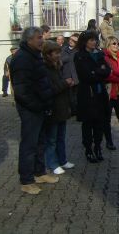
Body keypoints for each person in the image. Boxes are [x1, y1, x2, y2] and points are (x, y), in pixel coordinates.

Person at [10, 27, 58, 195]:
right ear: (29, 39)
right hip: (31, 109)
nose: (42, 40)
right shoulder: (22, 59)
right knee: (29, 145)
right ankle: (26, 180)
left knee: (40, 142)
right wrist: (37, 106)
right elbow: (22, 91)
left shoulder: (34, 56)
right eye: (38, 38)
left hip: (40, 106)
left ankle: (39, 173)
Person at [74, 30, 111, 163]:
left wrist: (97, 71)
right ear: (85, 42)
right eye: (91, 40)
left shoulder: (99, 54)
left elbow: (107, 71)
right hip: (87, 95)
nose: (94, 42)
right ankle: (88, 149)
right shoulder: (79, 56)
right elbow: (86, 76)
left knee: (100, 122)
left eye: (95, 39)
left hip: (100, 94)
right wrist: (98, 71)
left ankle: (98, 147)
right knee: (88, 123)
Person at [42, 41, 75, 175]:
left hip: (61, 107)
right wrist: (65, 83)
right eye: (56, 53)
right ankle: (52, 163)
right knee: (52, 139)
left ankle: (62, 160)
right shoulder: (45, 69)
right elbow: (49, 89)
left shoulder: (57, 66)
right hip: (53, 108)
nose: (58, 55)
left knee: (61, 136)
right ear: (48, 54)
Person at [61, 33, 80, 116]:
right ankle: (71, 111)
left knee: (76, 96)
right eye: (70, 39)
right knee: (68, 97)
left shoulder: (78, 50)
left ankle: (76, 111)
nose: (71, 41)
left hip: (76, 77)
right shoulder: (63, 49)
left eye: (74, 40)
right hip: (66, 76)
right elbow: (60, 61)